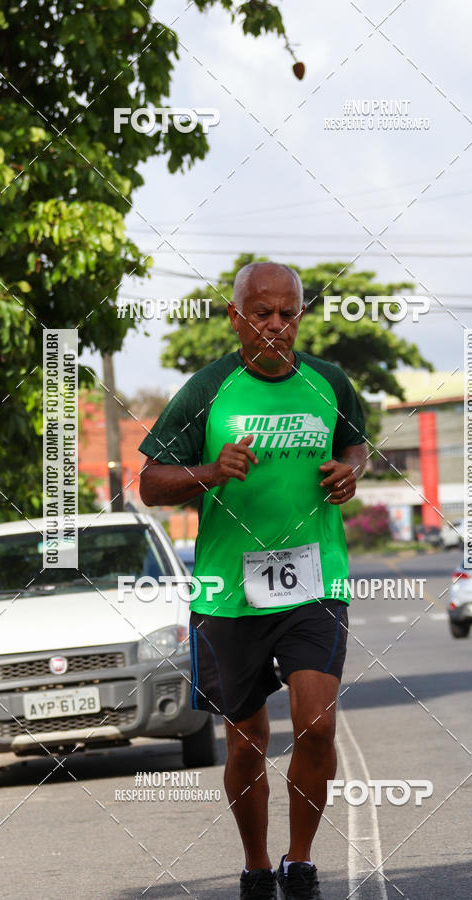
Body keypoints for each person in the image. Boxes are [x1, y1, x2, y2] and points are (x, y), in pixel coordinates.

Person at [139, 261, 367, 899]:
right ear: (236, 317)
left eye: (288, 313)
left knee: (316, 726)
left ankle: (299, 863)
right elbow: (152, 482)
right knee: (245, 745)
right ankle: (256, 866)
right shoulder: (208, 389)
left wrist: (351, 472)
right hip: (228, 591)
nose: (276, 325)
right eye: (261, 313)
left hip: (313, 580)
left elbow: (354, 444)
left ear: (300, 315)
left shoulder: (330, 381)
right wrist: (210, 471)